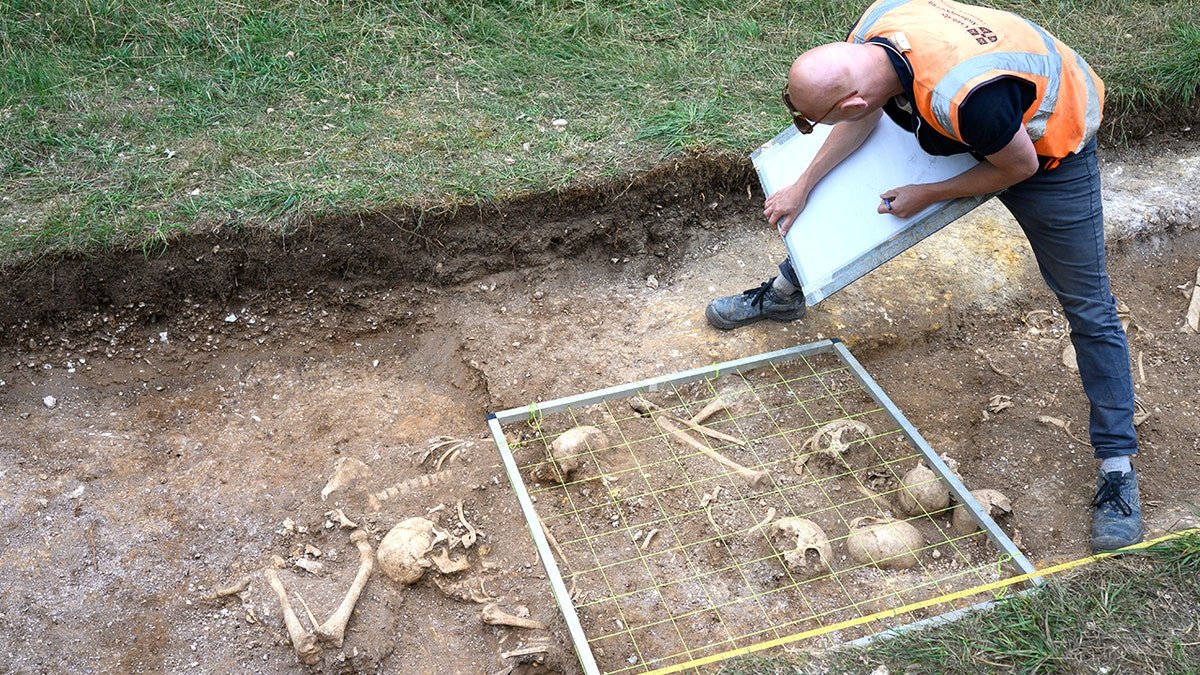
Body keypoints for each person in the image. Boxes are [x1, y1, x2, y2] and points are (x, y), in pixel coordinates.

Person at [705, 0, 1142, 552]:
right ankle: (788, 292)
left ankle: (1119, 470)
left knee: (1088, 306)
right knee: (860, 195)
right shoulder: (875, 27)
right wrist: (804, 183)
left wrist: (927, 193)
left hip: (1043, 147)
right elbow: (862, 117)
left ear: (855, 89)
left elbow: (1018, 166)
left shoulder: (965, 98)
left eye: (813, 120)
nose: (810, 128)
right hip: (962, 117)